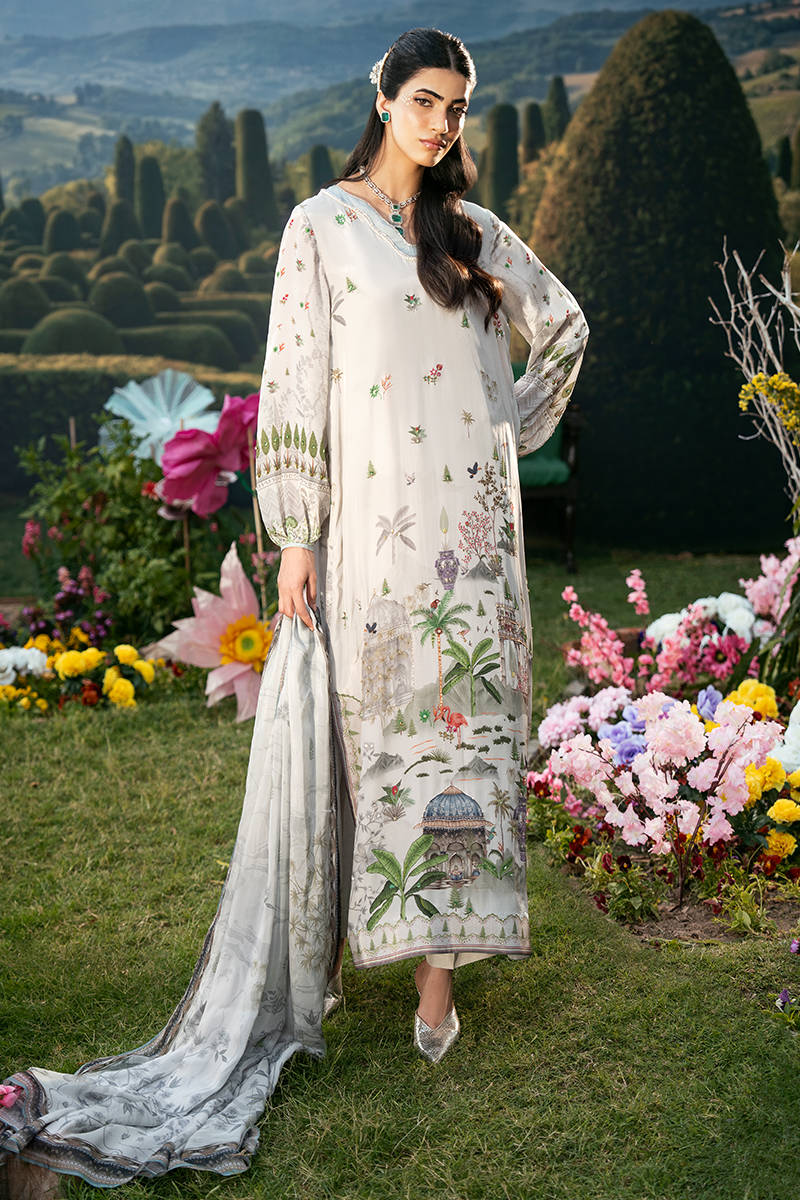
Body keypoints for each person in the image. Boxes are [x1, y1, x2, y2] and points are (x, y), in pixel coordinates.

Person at [255, 26, 589, 1064]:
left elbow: (565, 325)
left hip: (476, 535)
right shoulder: (321, 228)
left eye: (457, 107)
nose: (442, 124)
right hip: (374, 536)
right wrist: (297, 536)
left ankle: (438, 981)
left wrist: (507, 426)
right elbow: (293, 381)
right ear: (384, 100)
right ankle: (351, 941)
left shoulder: (473, 232)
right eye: (425, 102)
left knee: (469, 737)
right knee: (381, 734)